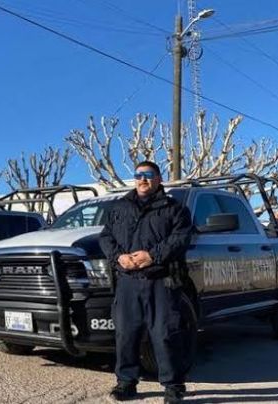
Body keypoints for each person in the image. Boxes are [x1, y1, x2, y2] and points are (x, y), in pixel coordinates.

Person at [99, 161, 193, 403]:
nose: (143, 179)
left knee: (165, 333)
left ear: (159, 179)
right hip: (128, 280)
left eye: (149, 175)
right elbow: (105, 237)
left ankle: (173, 387)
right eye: (138, 175)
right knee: (126, 334)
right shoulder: (118, 207)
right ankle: (126, 383)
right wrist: (118, 257)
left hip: (161, 280)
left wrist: (152, 256)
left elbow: (180, 239)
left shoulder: (174, 209)